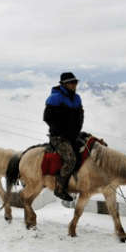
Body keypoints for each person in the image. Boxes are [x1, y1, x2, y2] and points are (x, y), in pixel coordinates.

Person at [43, 72, 84, 201]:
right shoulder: (55, 98)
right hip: (58, 137)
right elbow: (47, 118)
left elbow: (80, 116)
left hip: (73, 135)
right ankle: (59, 188)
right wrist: (62, 133)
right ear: (64, 84)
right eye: (71, 83)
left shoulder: (77, 98)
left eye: (75, 82)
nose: (74, 85)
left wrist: (76, 132)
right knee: (70, 159)